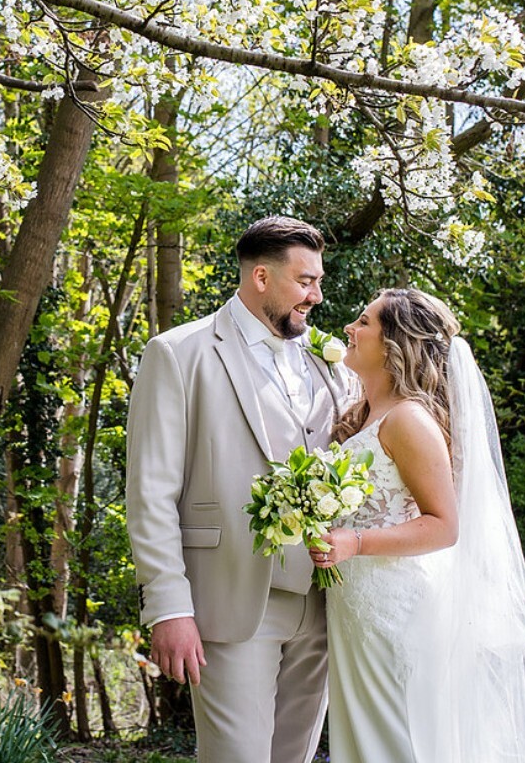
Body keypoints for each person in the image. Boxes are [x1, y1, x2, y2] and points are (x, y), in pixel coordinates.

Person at [126, 216, 350, 763]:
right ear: (260, 279)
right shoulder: (180, 353)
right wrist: (168, 607)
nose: (316, 295)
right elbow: (150, 491)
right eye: (305, 281)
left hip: (324, 603)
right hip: (230, 600)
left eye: (317, 281)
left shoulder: (328, 363)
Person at [309, 287, 525, 763]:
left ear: (394, 344)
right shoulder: (363, 417)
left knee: (403, 740)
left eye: (364, 322)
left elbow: (444, 526)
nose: (349, 329)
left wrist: (353, 542)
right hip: (357, 612)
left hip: (394, 611)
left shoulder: (408, 421)